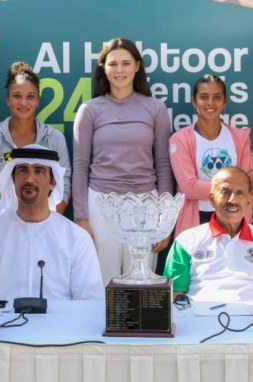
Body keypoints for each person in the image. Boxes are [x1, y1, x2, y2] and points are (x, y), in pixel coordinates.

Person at [73, 37, 173, 286]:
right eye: (113, 64)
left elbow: (163, 165)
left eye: (126, 63)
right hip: (101, 205)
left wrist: (164, 219)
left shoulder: (156, 108)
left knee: (140, 286)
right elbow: (80, 167)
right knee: (103, 283)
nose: (119, 70)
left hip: (145, 207)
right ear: (103, 68)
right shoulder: (89, 109)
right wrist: (81, 218)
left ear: (137, 66)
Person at [0, 145, 104, 302]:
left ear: (53, 183)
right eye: (22, 170)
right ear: (13, 179)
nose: (29, 179)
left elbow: (90, 301)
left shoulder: (77, 238)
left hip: (60, 325)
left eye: (39, 171)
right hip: (3, 324)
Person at [164, 167, 253, 302]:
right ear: (211, 199)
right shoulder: (186, 241)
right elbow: (174, 295)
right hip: (202, 319)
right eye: (225, 192)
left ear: (249, 201)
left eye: (240, 193)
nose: (232, 200)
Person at [0, 62, 72, 216]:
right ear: (7, 99)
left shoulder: (55, 139)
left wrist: (48, 224)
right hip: (3, 231)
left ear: (38, 100)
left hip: (45, 230)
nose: (23, 103)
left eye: (30, 97)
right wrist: (1, 227)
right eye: (17, 96)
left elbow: (63, 186)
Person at [169, 74, 253, 237]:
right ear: (194, 101)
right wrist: (236, 188)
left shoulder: (240, 138)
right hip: (195, 220)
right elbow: (189, 188)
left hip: (234, 219)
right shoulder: (180, 139)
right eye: (203, 97)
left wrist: (246, 221)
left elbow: (248, 189)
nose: (210, 103)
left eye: (217, 97)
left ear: (225, 102)